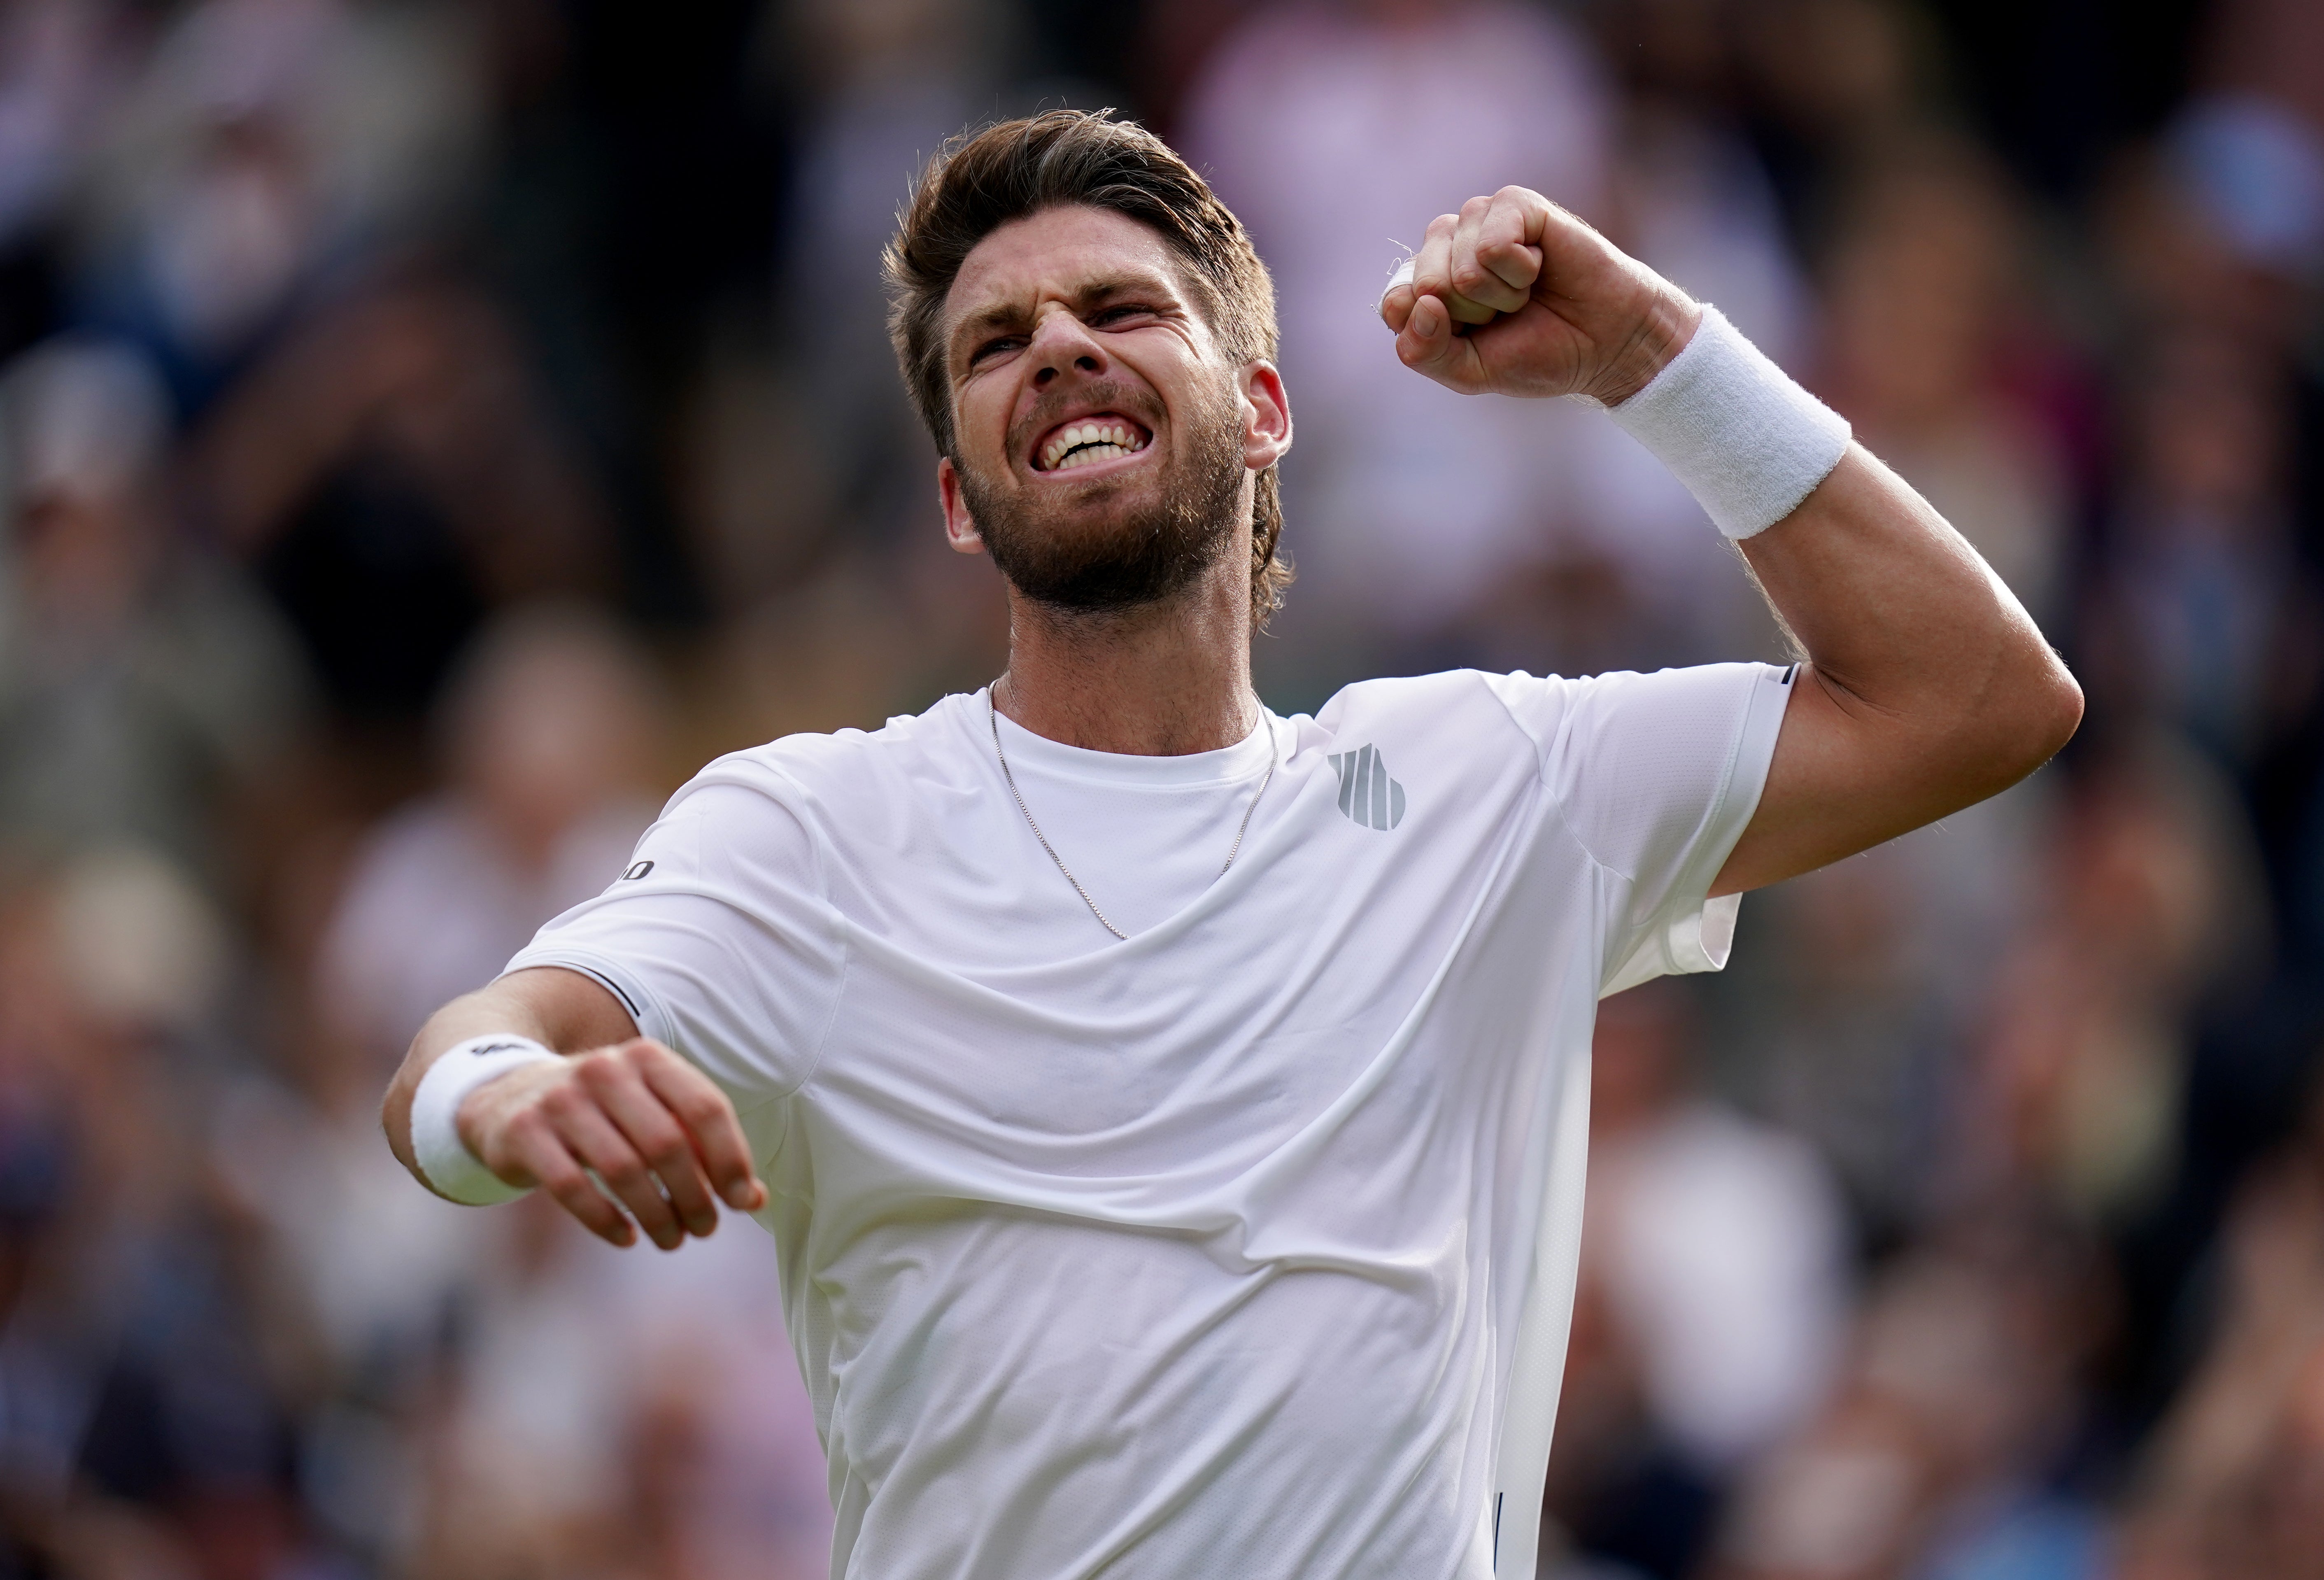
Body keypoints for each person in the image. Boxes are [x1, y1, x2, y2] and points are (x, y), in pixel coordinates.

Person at [378, 111, 2080, 1580]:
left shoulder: (1490, 779)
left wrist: (1647, 355)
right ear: (962, 499)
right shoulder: (817, 823)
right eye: (994, 343)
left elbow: (1978, 696)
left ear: (1262, 408)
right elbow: (468, 1051)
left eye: (1119, 307)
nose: (1054, 344)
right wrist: (505, 1102)